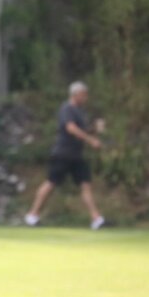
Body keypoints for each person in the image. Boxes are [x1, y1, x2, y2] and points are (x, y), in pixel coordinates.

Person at [24, 81, 105, 229]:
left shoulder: (80, 112)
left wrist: (95, 130)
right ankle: (32, 215)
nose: (85, 98)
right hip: (63, 153)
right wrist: (91, 140)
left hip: (77, 155)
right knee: (50, 183)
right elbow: (71, 128)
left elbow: (83, 131)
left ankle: (96, 219)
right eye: (83, 95)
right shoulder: (66, 109)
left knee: (86, 185)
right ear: (75, 94)